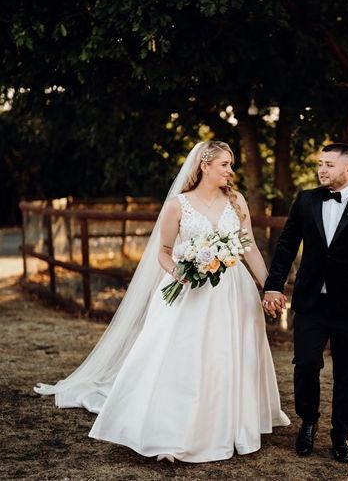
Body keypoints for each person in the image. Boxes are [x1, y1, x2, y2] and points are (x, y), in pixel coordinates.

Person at [35, 141, 289, 463]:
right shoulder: (178, 206)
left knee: (228, 356)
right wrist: (180, 273)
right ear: (204, 166)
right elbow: (164, 252)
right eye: (225, 164)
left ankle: (231, 425)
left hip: (233, 292)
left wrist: (270, 287)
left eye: (231, 164)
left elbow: (248, 246)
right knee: (182, 358)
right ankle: (170, 433)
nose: (230, 170)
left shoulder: (236, 201)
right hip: (190, 291)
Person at [262, 143, 348, 463]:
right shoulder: (305, 201)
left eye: (330, 164)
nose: (322, 169)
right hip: (310, 303)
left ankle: (341, 435)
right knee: (306, 363)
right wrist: (273, 287)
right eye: (320, 163)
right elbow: (287, 245)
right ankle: (307, 423)